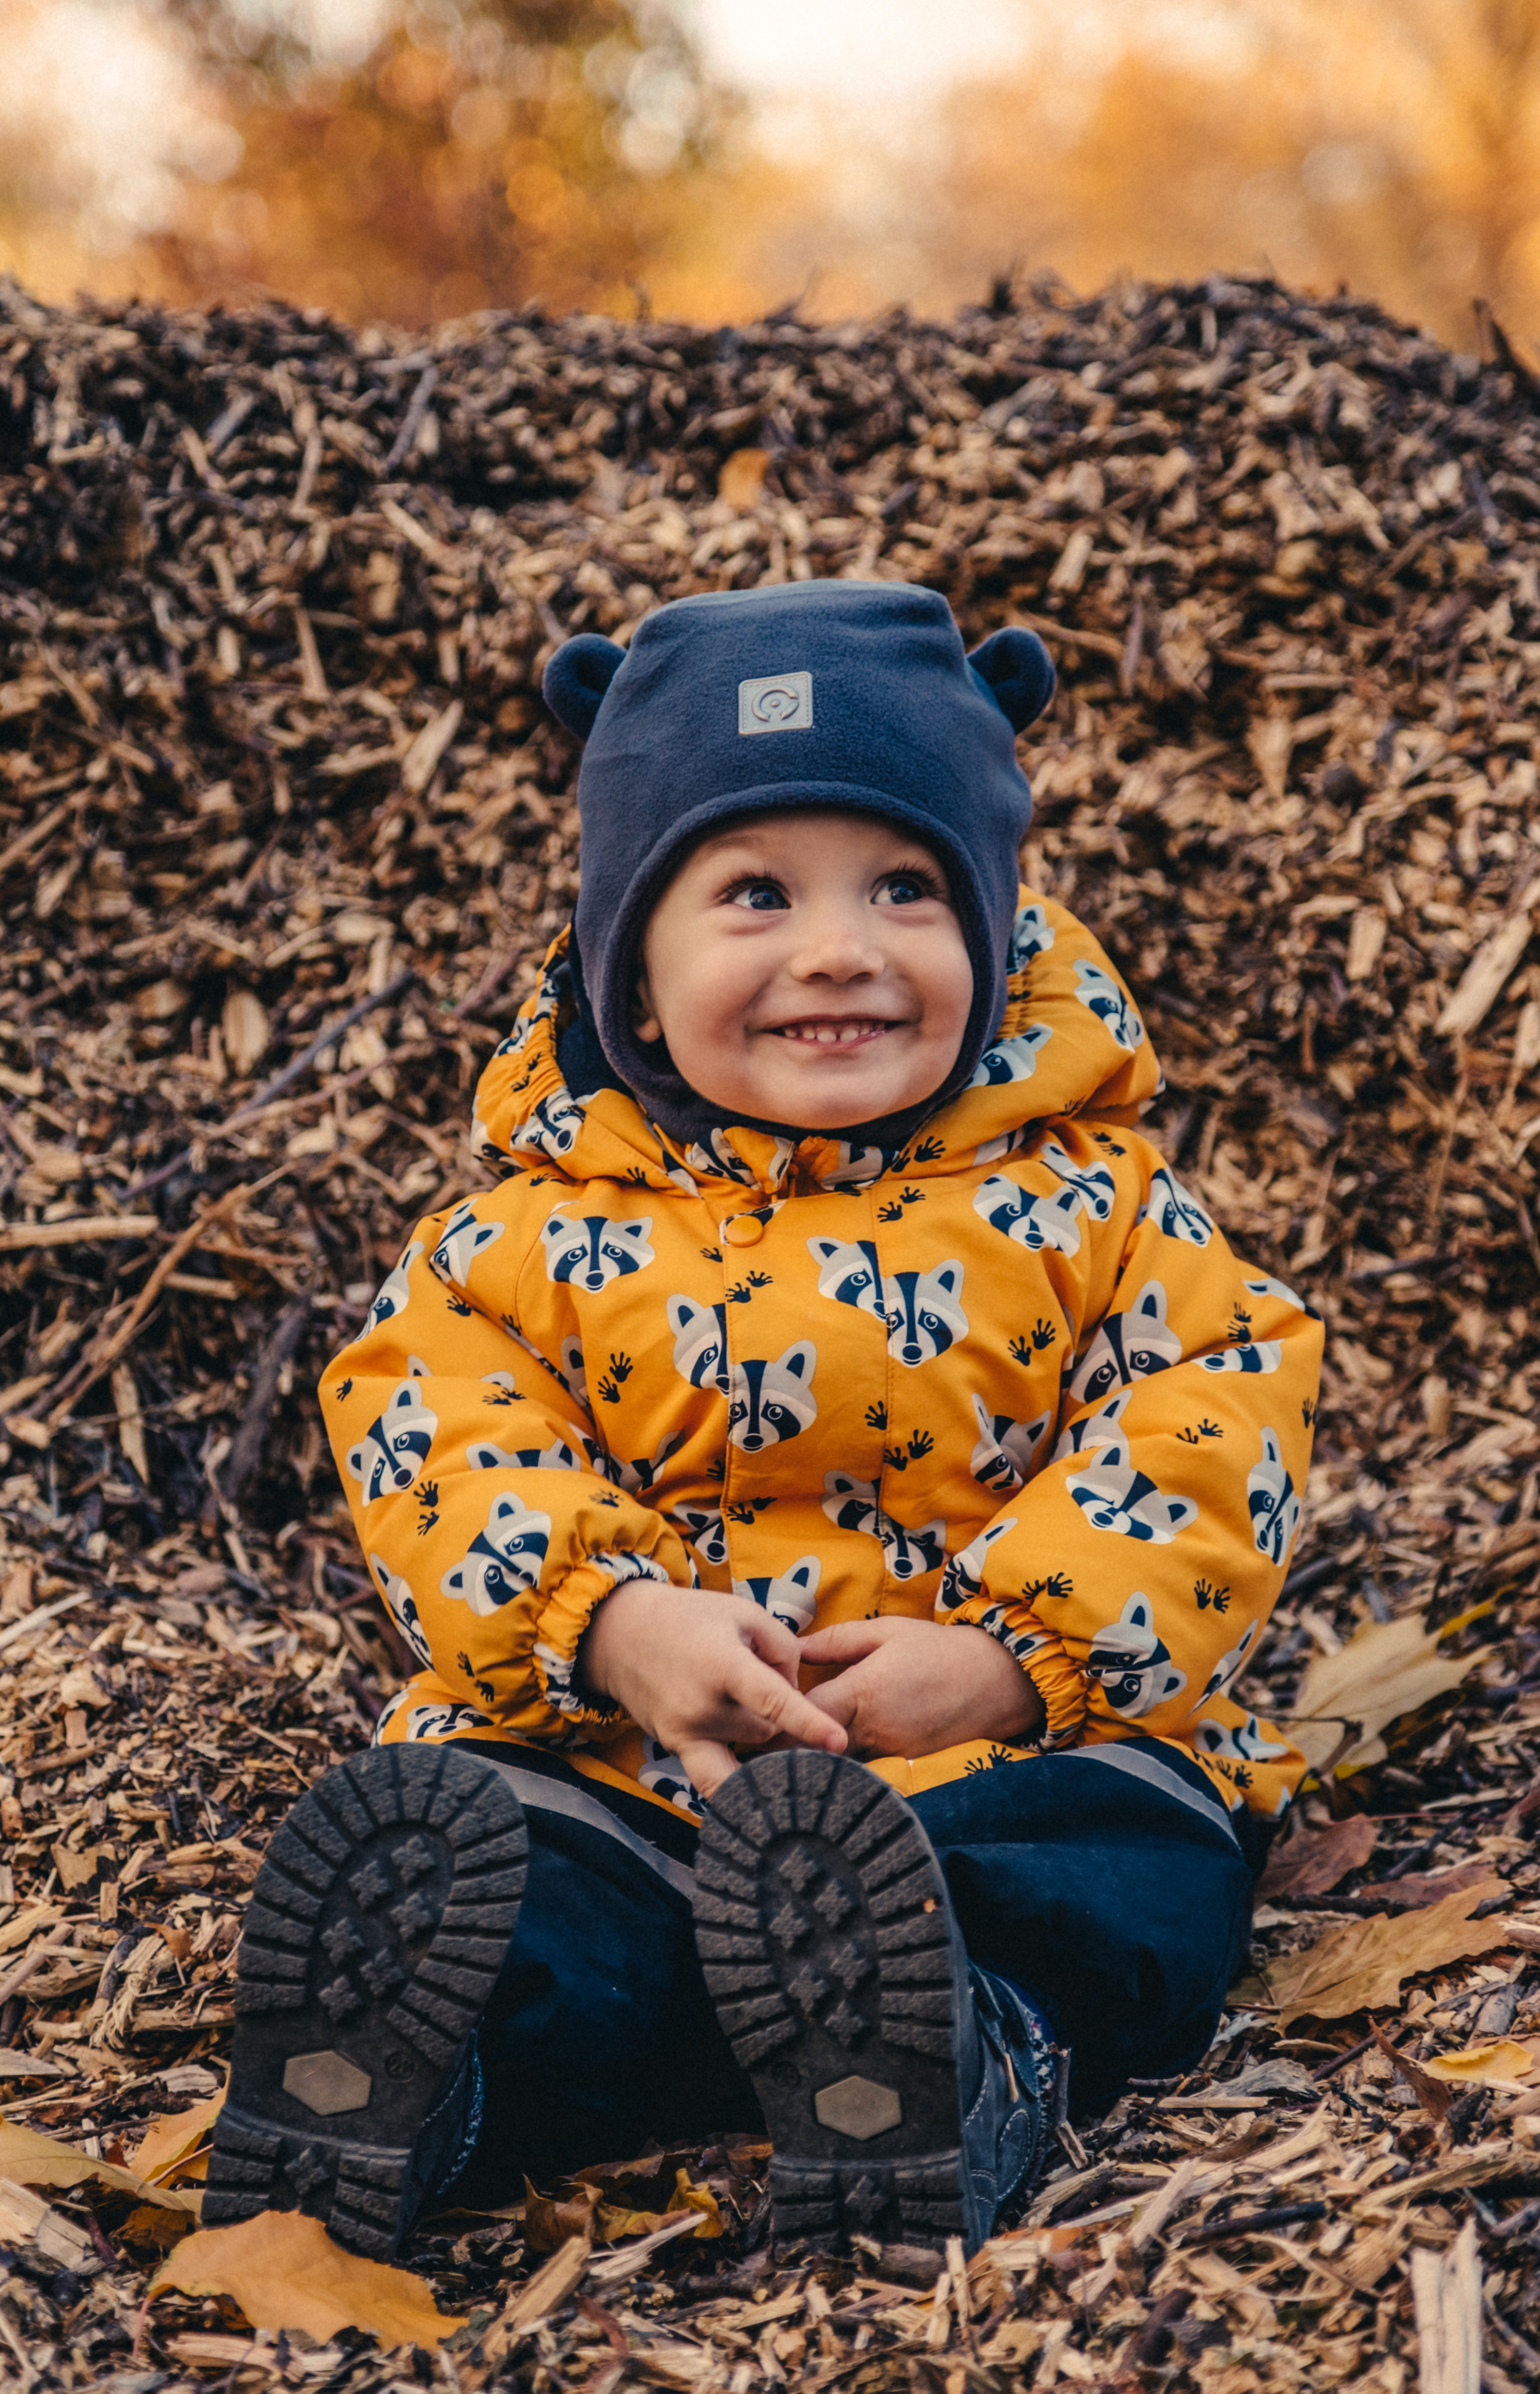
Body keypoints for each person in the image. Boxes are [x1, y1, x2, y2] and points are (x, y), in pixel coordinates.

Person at [206, 580, 1322, 2263]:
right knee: (513, 1866)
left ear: (995, 932)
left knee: (1138, 1861)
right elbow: (434, 1428)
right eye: (751, 892)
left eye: (906, 886)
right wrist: (605, 1620)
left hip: (983, 1771)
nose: (840, 947)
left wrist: (1020, 1654)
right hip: (640, 1770)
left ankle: (963, 2051)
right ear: (632, 984)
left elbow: (1217, 1404)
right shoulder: (531, 1233)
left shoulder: (1090, 1202)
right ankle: (407, 2085)